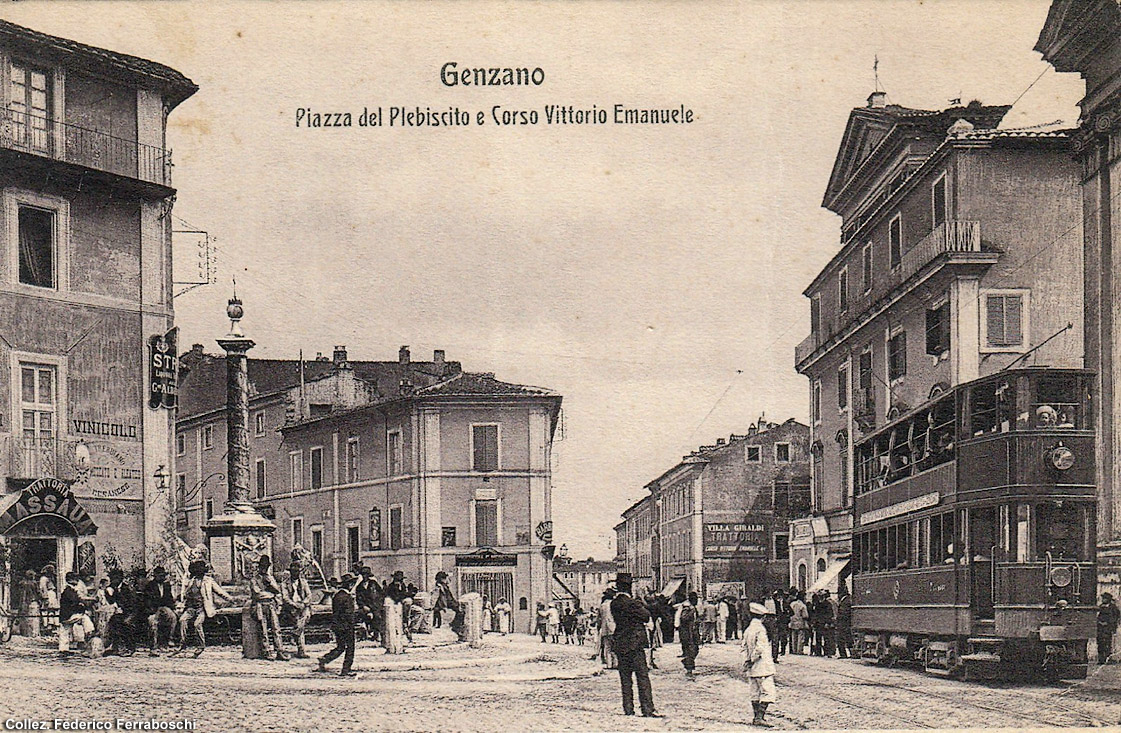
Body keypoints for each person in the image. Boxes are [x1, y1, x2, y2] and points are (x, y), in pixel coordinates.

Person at [610, 573, 660, 718]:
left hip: (620, 643)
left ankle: (628, 708)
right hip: (635, 644)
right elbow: (645, 616)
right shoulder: (632, 603)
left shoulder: (614, 603)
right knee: (642, 677)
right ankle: (647, 708)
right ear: (629, 587)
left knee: (625, 679)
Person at [177, 559, 232, 657]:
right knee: (182, 620)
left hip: (203, 608)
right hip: (191, 608)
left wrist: (230, 599)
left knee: (197, 624)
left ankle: (201, 646)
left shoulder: (208, 581)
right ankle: (183, 644)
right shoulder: (191, 581)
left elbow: (220, 591)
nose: (198, 572)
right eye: (196, 570)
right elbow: (185, 594)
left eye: (199, 570)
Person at [743, 602, 777, 727]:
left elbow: (744, 647)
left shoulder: (748, 629)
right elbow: (760, 648)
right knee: (768, 691)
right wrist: (752, 659)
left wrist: (746, 661)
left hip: (752, 668)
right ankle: (760, 717)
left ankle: (756, 716)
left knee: (755, 692)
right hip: (762, 666)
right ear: (762, 617)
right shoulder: (761, 630)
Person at [250, 556, 290, 661]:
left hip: (271, 605)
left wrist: (272, 590)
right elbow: (257, 594)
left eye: (266, 566)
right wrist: (271, 593)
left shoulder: (270, 578)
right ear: (259, 567)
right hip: (260, 605)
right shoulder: (254, 579)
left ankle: (279, 651)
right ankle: (266, 651)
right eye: (262, 566)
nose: (264, 569)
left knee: (276, 629)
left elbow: (278, 592)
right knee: (263, 630)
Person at [319, 574, 358, 677]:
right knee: (350, 648)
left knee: (340, 647)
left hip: (338, 626)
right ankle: (346, 669)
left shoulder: (337, 595)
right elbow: (348, 613)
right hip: (346, 626)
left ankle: (325, 659)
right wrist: (353, 623)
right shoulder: (347, 597)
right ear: (349, 584)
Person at [282, 561, 313, 658]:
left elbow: (309, 595)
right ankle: (301, 651)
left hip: (303, 605)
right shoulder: (285, 583)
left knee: (305, 616)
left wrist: (303, 603)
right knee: (299, 622)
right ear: (290, 572)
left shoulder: (304, 582)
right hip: (292, 607)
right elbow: (285, 598)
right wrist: (294, 605)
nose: (296, 573)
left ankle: (296, 633)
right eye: (294, 571)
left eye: (297, 571)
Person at [143, 567, 177, 656]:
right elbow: (147, 600)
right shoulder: (149, 585)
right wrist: (153, 611)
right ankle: (153, 647)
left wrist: (172, 607)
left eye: (163, 576)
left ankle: (166, 642)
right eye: (160, 576)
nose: (163, 578)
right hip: (153, 609)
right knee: (152, 622)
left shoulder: (166, 585)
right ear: (156, 576)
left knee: (172, 617)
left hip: (163, 607)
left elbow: (169, 598)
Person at [104, 568, 139, 655]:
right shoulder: (111, 588)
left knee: (124, 623)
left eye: (114, 578)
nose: (112, 580)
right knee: (113, 621)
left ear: (120, 578)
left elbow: (133, 604)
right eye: (111, 578)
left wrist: (128, 614)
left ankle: (129, 647)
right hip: (119, 613)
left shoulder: (127, 589)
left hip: (130, 613)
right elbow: (111, 602)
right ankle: (114, 647)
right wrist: (109, 593)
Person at [58, 572, 94, 654]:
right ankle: (89, 632)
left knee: (65, 631)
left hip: (65, 615)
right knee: (84, 618)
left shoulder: (69, 590)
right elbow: (75, 603)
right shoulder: (69, 591)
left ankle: (64, 649)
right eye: (76, 579)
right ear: (71, 580)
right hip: (70, 615)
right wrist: (82, 606)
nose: (77, 581)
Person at [675, 591, 701, 678]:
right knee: (691, 650)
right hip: (687, 632)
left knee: (695, 649)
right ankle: (689, 668)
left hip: (693, 632)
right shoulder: (687, 607)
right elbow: (684, 617)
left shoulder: (692, 607)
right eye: (696, 599)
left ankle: (687, 662)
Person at [1098, 593, 1120, 665]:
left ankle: (1108, 659)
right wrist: (1099, 622)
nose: (1103, 600)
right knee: (1100, 643)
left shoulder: (1113, 607)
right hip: (1100, 628)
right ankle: (1101, 659)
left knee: (1108, 643)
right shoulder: (1100, 607)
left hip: (1108, 628)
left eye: (1105, 598)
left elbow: (1116, 617)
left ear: (1108, 599)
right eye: (1103, 598)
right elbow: (1098, 616)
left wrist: (1108, 623)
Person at [599, 588, 617, 669]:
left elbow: (599, 618)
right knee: (615, 646)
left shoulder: (602, 606)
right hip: (613, 627)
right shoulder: (614, 604)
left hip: (604, 629)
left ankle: (609, 664)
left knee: (607, 647)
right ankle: (615, 663)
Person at [39, 564, 58, 634]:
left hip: (51, 594)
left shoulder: (48, 579)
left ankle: (50, 625)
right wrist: (45, 597)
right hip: (49, 594)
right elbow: (43, 588)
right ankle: (47, 625)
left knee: (49, 610)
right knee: (47, 610)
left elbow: (43, 588)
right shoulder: (44, 579)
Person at [835, 584, 853, 659]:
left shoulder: (846, 601)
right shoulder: (847, 599)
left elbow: (844, 613)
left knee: (841, 639)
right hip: (845, 623)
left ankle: (844, 654)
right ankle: (850, 653)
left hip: (843, 623)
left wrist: (838, 619)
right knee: (847, 638)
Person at [772, 590, 791, 658]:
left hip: (783, 621)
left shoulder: (785, 602)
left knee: (784, 637)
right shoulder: (774, 602)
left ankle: (783, 649)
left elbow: (791, 611)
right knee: (776, 637)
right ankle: (775, 652)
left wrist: (787, 615)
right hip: (777, 621)